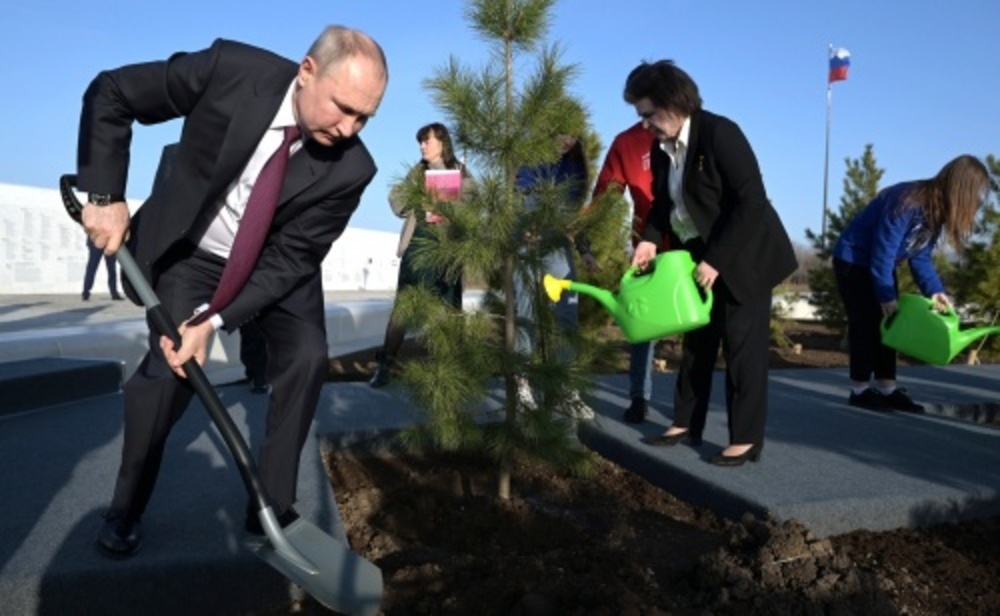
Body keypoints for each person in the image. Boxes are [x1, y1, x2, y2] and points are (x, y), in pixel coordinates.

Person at [78, 25, 388, 558]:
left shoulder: (353, 168)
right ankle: (126, 507)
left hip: (274, 265)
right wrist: (105, 194)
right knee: (166, 376)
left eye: (365, 117)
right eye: (343, 108)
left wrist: (214, 322)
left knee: (307, 356)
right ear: (307, 70)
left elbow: (291, 259)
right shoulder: (229, 70)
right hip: (193, 252)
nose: (350, 128)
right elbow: (113, 91)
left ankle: (271, 508)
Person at [625, 60, 797, 466]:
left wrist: (717, 259)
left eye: (648, 114)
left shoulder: (720, 133)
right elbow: (665, 205)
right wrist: (649, 241)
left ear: (672, 102)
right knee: (697, 341)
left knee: (742, 347)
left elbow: (752, 201)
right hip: (703, 256)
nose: (644, 124)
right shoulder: (661, 148)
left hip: (746, 255)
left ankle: (746, 438)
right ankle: (685, 422)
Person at [832, 155, 989, 412]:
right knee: (868, 322)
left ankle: (887, 389)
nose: (976, 201)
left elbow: (920, 256)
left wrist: (935, 290)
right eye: (975, 194)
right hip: (854, 260)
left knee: (891, 325)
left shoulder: (935, 211)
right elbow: (883, 250)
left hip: (880, 265)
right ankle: (859, 390)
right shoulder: (906, 201)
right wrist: (885, 294)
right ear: (960, 188)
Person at [370, 122, 470, 387]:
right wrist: (418, 199)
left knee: (449, 311)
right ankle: (384, 367)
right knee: (403, 308)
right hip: (417, 246)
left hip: (447, 251)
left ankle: (447, 372)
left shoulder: (460, 171)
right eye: (421, 142)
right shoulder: (417, 172)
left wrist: (454, 200)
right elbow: (396, 201)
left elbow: (475, 204)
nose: (422, 146)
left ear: (442, 143)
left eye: (427, 140)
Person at [513, 133, 594, 420]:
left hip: (557, 245)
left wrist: (585, 250)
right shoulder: (532, 159)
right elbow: (518, 196)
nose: (564, 140)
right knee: (526, 314)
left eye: (571, 136)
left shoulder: (575, 168)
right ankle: (522, 384)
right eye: (559, 133)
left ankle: (565, 388)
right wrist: (526, 228)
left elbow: (576, 216)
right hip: (526, 241)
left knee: (566, 315)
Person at [584, 121, 660, 423]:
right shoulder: (627, 142)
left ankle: (690, 404)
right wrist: (585, 238)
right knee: (643, 324)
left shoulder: (690, 129)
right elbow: (605, 196)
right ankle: (640, 396)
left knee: (700, 325)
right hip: (646, 248)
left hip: (690, 246)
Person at [82, 237, 124, 301]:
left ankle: (114, 292)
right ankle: (85, 292)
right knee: (92, 268)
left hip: (108, 242)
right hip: (96, 242)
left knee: (111, 268)